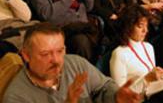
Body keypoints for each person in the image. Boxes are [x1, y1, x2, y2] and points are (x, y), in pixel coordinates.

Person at [3, 22, 142, 103]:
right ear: (26, 55)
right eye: (45, 54)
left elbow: (104, 86)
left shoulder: (75, 63)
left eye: (60, 51)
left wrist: (116, 96)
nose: (56, 60)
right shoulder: (16, 97)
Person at [110, 4, 163, 100]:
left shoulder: (148, 47)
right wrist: (146, 79)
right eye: (140, 26)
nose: (145, 30)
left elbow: (152, 82)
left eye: (146, 26)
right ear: (128, 27)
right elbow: (121, 96)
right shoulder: (119, 54)